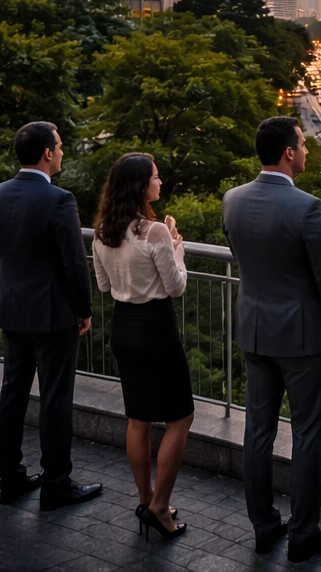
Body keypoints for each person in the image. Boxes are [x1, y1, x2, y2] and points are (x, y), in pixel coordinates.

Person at [223, 117, 321, 563]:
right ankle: (304, 533)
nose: (308, 151)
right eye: (304, 144)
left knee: (258, 431)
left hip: (255, 330)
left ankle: (264, 526)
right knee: (308, 434)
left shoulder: (232, 199)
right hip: (301, 337)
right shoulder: (308, 207)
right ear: (289, 153)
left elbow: (241, 258)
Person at [91, 153, 193, 541]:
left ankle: (146, 499)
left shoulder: (103, 231)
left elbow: (103, 286)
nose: (160, 181)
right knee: (180, 418)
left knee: (138, 418)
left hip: (124, 327)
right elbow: (176, 286)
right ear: (140, 186)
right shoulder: (154, 232)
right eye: (155, 176)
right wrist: (177, 247)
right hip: (156, 329)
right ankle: (161, 508)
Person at [0, 122, 101, 512]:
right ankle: (57, 482)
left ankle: (9, 476)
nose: (61, 152)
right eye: (59, 147)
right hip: (53, 313)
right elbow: (74, 263)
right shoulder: (60, 199)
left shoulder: (2, 193)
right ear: (46, 153)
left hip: (12, 309)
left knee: (12, 394)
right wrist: (84, 309)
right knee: (55, 399)